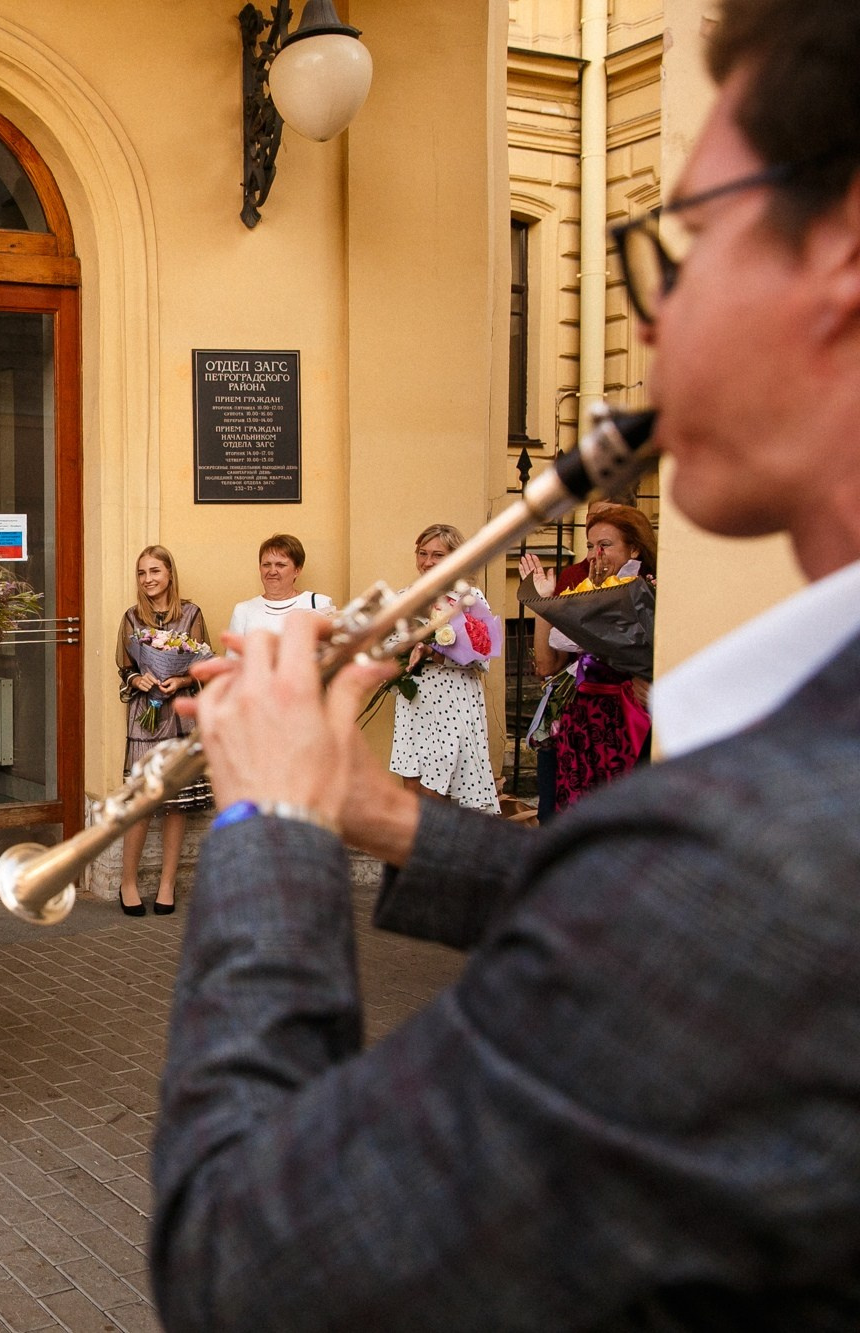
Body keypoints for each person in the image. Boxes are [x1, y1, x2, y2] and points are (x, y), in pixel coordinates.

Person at [151, 3, 860, 1324]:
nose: (645, 334)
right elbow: (648, 933)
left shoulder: (765, 850)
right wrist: (381, 813)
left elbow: (246, 1262)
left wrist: (271, 831)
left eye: (687, 248)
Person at [523, 504, 660, 812]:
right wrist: (546, 604)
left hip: (626, 719)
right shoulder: (587, 588)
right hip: (585, 720)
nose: (594, 555)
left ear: (635, 549)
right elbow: (552, 654)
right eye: (589, 546)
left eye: (605, 545)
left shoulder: (647, 589)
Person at [114, 545, 212, 915]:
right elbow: (125, 665)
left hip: (181, 713)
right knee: (142, 802)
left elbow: (204, 661)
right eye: (142, 573)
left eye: (155, 571)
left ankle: (167, 883)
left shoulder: (192, 613)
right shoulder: (131, 617)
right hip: (145, 717)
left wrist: (182, 677)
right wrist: (139, 678)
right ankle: (128, 882)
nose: (148, 579)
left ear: (170, 573)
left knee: (177, 804)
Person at [387, 524, 501, 812]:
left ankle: (442, 850)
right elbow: (388, 646)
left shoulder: (468, 598)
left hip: (453, 701)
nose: (427, 562)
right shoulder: (404, 597)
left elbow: (482, 655)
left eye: (438, 555)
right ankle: (417, 853)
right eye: (422, 553)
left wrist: (436, 653)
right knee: (412, 783)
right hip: (415, 702)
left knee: (439, 788)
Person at [225, 533, 335, 642]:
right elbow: (233, 658)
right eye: (266, 565)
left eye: (280, 565)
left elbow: (331, 655)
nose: (272, 571)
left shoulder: (319, 604)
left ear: (297, 570)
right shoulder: (243, 610)